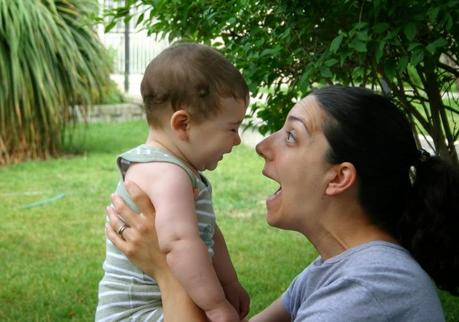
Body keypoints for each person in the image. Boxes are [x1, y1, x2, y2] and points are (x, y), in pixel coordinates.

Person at [105, 85, 459, 321]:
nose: (261, 145)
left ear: (338, 177)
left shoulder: (374, 286)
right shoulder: (333, 270)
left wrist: (168, 271)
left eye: (292, 135)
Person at [96, 42, 250, 322]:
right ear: (182, 125)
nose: (237, 140)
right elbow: (179, 243)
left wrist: (230, 285)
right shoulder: (168, 174)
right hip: (135, 314)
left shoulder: (177, 170)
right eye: (232, 128)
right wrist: (216, 305)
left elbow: (208, 233)